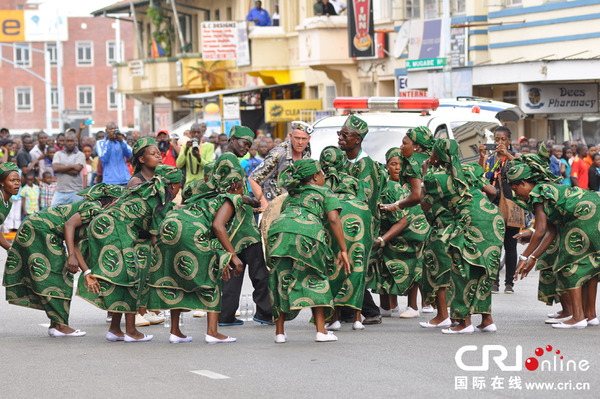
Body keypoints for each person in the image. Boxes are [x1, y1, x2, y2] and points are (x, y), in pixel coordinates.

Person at [148, 155, 249, 343]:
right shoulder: (229, 198)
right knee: (213, 274)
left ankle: (175, 332)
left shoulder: (206, 194)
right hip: (191, 231)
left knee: (176, 276)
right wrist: (233, 257)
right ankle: (212, 332)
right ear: (235, 185)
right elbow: (218, 227)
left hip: (169, 226)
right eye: (243, 184)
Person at [3, 184, 123, 337]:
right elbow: (69, 225)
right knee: (58, 277)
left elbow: (75, 241)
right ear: (113, 201)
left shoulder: (97, 210)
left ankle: (57, 325)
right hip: (40, 229)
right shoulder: (94, 208)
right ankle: (60, 326)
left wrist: (87, 272)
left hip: (41, 228)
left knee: (60, 276)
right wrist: (71, 255)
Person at [78, 165, 182, 342]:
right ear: (173, 185)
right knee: (133, 275)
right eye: (179, 186)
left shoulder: (146, 190)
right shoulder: (161, 196)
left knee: (123, 278)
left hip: (103, 223)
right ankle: (132, 331)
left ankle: (115, 329)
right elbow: (155, 233)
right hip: (115, 228)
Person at [509, 152, 600, 329]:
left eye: (515, 189)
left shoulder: (537, 193)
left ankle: (578, 318)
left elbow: (541, 229)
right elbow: (550, 232)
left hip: (584, 214)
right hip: (594, 208)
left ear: (524, 183)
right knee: (590, 266)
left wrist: (524, 257)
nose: (516, 194)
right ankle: (590, 315)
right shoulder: (546, 189)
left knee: (568, 265)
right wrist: (533, 257)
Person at [266, 159, 350, 343]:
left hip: (278, 232)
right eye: (321, 173)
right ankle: (321, 331)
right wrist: (343, 249)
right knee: (317, 278)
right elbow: (334, 220)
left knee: (282, 279)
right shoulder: (325, 191)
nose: (324, 176)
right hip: (308, 233)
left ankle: (279, 333)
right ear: (314, 176)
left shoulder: (291, 195)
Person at [427, 139, 503, 334]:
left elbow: (424, 205)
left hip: (470, 221)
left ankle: (463, 322)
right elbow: (493, 192)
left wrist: (424, 172)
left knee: (460, 270)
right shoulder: (469, 169)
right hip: (492, 218)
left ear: (437, 156)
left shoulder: (436, 177)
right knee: (484, 270)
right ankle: (487, 320)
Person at [371, 148, 430, 319]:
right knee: (384, 264)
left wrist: (382, 239)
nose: (397, 168)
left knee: (414, 266)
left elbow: (404, 219)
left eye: (400, 165)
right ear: (386, 166)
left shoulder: (409, 184)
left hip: (412, 230)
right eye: (393, 164)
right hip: (392, 228)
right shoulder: (384, 185)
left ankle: (414, 305)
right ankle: (389, 305)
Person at [337, 115, 385, 325]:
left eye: (345, 135)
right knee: (343, 265)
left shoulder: (366, 165)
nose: (340, 138)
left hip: (359, 226)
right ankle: (346, 312)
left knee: (354, 267)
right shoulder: (340, 161)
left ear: (357, 139)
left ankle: (371, 311)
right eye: (339, 134)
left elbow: (365, 199)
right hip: (341, 223)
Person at [319, 146, 372, 331]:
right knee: (357, 266)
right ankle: (357, 318)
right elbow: (367, 198)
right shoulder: (354, 180)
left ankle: (334, 319)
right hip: (360, 218)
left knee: (333, 266)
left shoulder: (320, 181)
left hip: (336, 217)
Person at [127, 137, 166, 326]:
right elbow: (139, 214)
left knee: (154, 271)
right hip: (137, 236)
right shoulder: (136, 181)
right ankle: (134, 312)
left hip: (154, 234)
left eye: (159, 153)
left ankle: (148, 309)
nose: (159, 156)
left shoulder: (160, 179)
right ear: (141, 159)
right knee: (140, 272)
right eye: (153, 154)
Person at [478, 126, 520, 294]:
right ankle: (494, 282)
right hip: (492, 205)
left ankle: (509, 283)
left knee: (510, 245)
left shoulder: (515, 157)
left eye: (503, 140)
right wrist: (481, 157)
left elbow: (521, 170)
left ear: (509, 141)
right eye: (497, 140)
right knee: (494, 245)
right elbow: (479, 175)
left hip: (511, 205)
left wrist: (507, 155)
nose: (500, 143)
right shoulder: (490, 158)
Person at [249, 121, 312, 209]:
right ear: (290, 136)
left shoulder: (307, 152)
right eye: (297, 138)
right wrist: (265, 205)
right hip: (276, 208)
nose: (300, 142)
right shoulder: (278, 153)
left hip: (297, 208)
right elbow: (253, 179)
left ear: (309, 139)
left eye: (304, 139)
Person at [51, 133, 86, 206]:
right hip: (60, 191)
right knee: (53, 212)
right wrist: (73, 166)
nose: (70, 143)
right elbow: (55, 168)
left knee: (76, 213)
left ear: (76, 141)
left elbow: (76, 170)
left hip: (76, 191)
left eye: (72, 141)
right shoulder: (58, 154)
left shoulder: (80, 155)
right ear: (64, 142)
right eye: (67, 141)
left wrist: (61, 168)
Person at [176, 123, 215, 188]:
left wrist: (198, 157)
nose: (196, 134)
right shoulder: (186, 146)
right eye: (194, 132)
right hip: (189, 184)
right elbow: (179, 164)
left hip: (203, 184)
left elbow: (209, 167)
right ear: (190, 133)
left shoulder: (209, 146)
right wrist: (186, 150)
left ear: (202, 133)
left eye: (198, 132)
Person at [0, 163, 22, 249]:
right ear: (1, 182)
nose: (17, 183)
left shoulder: (9, 201)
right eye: (12, 180)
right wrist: (9, 247)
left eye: (18, 180)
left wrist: (9, 248)